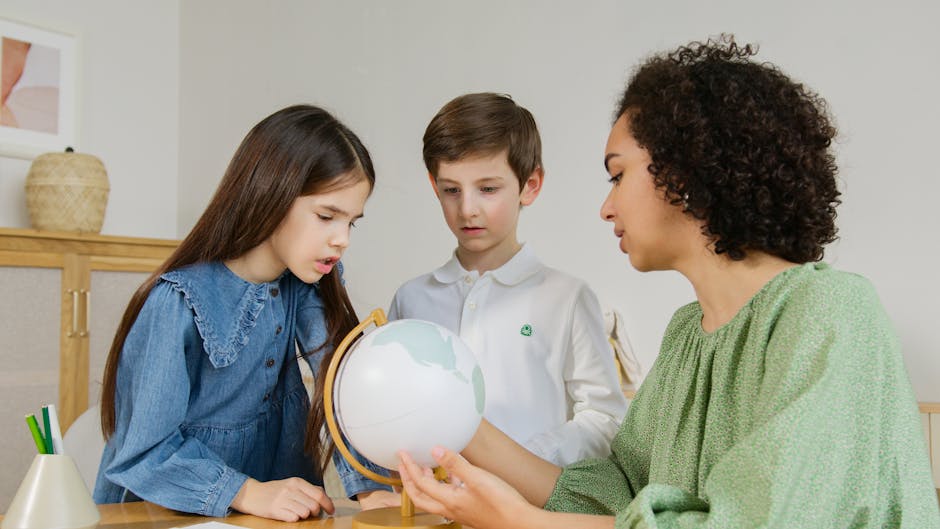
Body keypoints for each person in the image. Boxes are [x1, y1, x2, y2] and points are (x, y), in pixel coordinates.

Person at [397, 36, 940, 528]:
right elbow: (618, 493)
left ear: (684, 171)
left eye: (618, 173)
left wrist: (519, 521)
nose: (606, 207)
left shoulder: (832, 312)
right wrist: (464, 433)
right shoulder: (688, 335)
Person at [94, 105, 397, 521]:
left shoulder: (307, 286)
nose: (341, 239)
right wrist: (246, 492)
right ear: (271, 194)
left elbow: (339, 389)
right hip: (171, 513)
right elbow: (143, 452)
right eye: (327, 216)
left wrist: (372, 488)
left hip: (272, 515)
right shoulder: (177, 302)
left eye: (352, 223)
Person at [388, 92, 628, 466]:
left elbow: (605, 419)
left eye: (488, 189)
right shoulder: (412, 299)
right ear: (434, 186)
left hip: (529, 510)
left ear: (530, 186)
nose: (467, 209)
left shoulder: (567, 297)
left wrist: (523, 459)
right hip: (432, 511)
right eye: (451, 190)